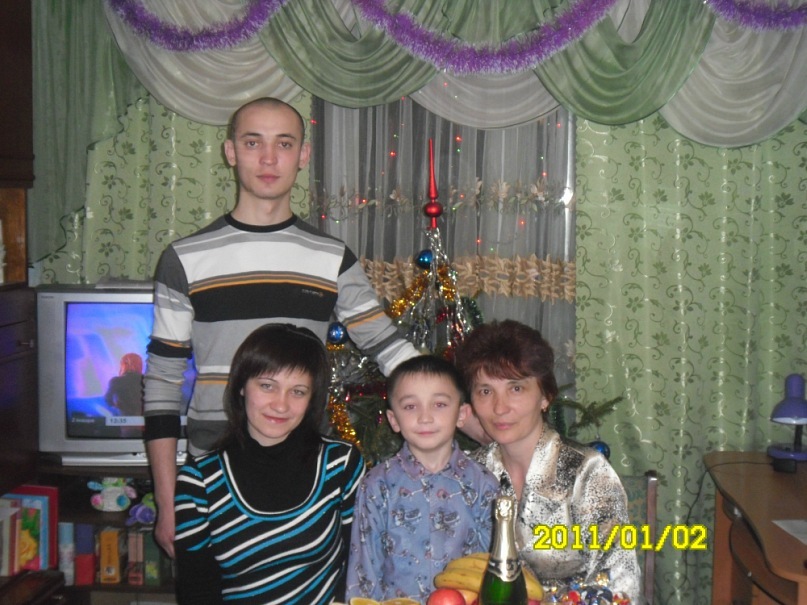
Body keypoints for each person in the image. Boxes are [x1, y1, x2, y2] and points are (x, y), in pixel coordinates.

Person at [143, 97, 420, 556]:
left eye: (284, 144)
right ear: (231, 152)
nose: (269, 159)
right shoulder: (184, 259)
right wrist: (167, 500)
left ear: (302, 155)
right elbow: (162, 383)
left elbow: (388, 347)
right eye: (254, 143)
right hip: (211, 473)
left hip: (307, 475)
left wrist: (456, 401)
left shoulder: (331, 258)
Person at [173, 323, 365, 605]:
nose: (281, 405)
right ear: (242, 387)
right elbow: (198, 593)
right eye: (267, 386)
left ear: (312, 398)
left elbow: (359, 569)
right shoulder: (199, 481)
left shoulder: (341, 464)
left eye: (298, 391)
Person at [454, 320, 642, 604]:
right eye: (485, 391)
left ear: (545, 396)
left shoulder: (585, 472)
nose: (499, 408)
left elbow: (621, 585)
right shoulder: (469, 472)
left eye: (516, 389)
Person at [346, 355, 499, 602]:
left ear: (462, 414)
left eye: (439, 404)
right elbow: (364, 571)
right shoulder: (377, 485)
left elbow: (495, 566)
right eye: (410, 406)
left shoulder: (483, 484)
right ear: (394, 420)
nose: (425, 417)